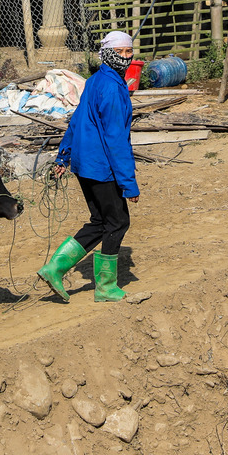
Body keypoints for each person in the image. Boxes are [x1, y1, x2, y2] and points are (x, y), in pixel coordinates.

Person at [38, 30, 139, 302]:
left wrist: (64, 156)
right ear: (107, 54)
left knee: (101, 221)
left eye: (129, 51)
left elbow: (77, 121)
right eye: (121, 52)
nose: (127, 57)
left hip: (85, 165)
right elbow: (116, 140)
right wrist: (128, 183)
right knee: (117, 222)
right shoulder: (113, 89)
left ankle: (54, 268)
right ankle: (105, 287)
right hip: (102, 167)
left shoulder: (94, 81)